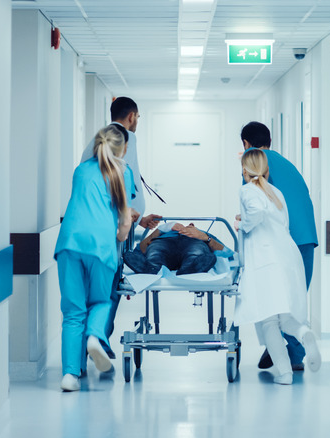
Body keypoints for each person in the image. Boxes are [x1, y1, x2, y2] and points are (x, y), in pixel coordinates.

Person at [55, 124, 134, 392]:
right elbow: (125, 222)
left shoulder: (81, 170)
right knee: (100, 300)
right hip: (101, 246)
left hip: (69, 243)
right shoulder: (123, 173)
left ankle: (70, 374)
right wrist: (121, 238)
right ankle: (95, 337)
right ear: (122, 148)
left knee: (72, 311)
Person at [80, 97, 162, 358]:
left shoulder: (97, 138)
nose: (137, 123)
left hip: (82, 229)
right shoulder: (126, 138)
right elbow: (130, 179)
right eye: (137, 118)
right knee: (110, 287)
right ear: (131, 116)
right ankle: (99, 340)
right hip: (112, 227)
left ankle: (83, 350)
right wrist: (136, 218)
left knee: (84, 294)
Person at [235, 148, 321, 385]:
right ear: (267, 169)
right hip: (287, 256)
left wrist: (243, 225)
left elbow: (257, 212)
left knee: (268, 320)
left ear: (244, 170)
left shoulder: (247, 190)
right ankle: (305, 335)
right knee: (285, 314)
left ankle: (285, 373)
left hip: (266, 260)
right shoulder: (276, 192)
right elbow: (281, 222)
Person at [123, 222, 226, 275]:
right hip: (164, 242)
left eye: (189, 226)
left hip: (194, 242)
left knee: (196, 252)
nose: (184, 227)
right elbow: (141, 249)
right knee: (155, 252)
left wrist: (205, 237)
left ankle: (190, 267)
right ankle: (151, 267)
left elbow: (226, 253)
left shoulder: (203, 234)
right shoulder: (163, 233)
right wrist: (162, 229)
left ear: (193, 225)